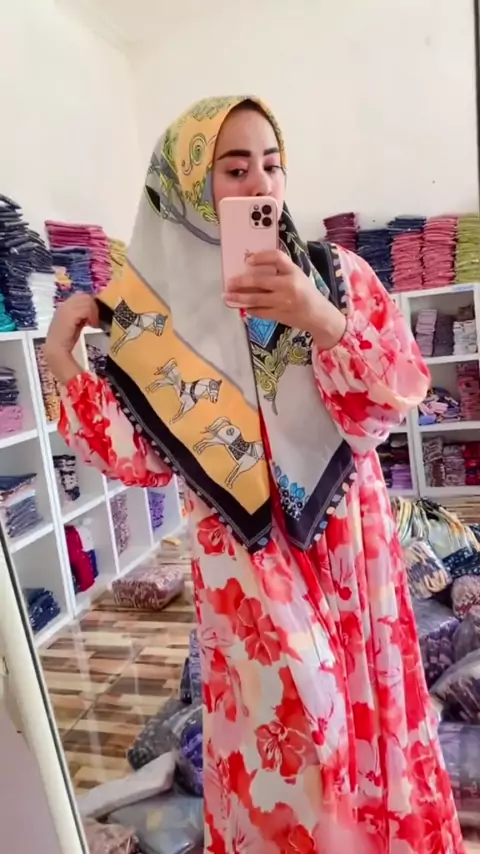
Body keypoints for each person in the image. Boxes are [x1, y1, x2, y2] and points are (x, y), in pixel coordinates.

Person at [45, 96, 464, 854]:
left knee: (370, 723)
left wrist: (318, 316)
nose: (260, 184)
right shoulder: (154, 323)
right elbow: (137, 459)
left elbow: (389, 401)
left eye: (271, 164)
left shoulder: (336, 275)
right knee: (290, 748)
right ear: (186, 187)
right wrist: (61, 360)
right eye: (234, 169)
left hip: (350, 544)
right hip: (243, 567)